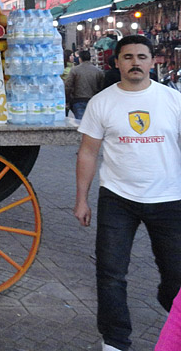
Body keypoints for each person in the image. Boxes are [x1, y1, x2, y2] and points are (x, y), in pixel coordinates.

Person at [74, 35, 181, 351]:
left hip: (169, 198)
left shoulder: (173, 100)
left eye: (142, 56)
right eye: (129, 56)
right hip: (118, 198)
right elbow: (88, 153)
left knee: (176, 276)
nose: (136, 62)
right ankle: (114, 341)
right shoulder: (102, 102)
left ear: (152, 61)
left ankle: (172, 308)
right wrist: (81, 199)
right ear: (117, 62)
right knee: (110, 274)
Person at [65, 49, 105, 119]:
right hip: (93, 100)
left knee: (81, 124)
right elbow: (102, 87)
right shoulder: (98, 71)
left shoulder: (75, 70)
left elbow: (68, 86)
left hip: (78, 100)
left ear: (80, 59)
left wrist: (67, 99)